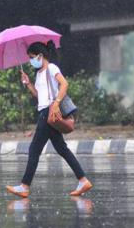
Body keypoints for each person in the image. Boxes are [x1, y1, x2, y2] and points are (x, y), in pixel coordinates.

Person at [6, 40, 93, 198]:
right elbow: (40, 96)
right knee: (61, 148)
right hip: (45, 111)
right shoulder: (38, 73)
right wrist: (28, 84)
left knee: (34, 149)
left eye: (32, 57)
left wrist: (56, 103)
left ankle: (25, 186)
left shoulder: (51, 68)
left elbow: (64, 84)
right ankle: (83, 180)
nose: (31, 61)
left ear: (40, 55)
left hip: (49, 111)